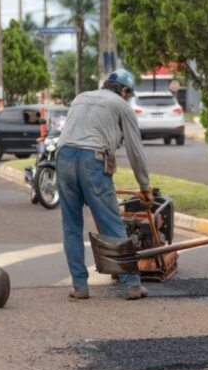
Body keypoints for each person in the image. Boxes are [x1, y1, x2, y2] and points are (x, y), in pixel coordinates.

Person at [55, 69, 151, 300]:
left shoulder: (81, 97)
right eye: (128, 94)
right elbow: (135, 151)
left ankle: (80, 287)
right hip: (92, 160)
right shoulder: (122, 105)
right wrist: (144, 187)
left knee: (71, 226)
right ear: (124, 90)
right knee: (111, 223)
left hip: (63, 157)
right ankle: (131, 285)